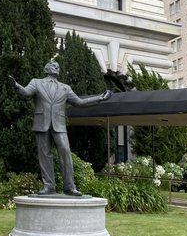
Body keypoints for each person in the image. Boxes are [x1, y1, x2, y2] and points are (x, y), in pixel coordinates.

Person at [9, 61, 112, 196]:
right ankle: (49, 186)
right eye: (54, 65)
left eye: (58, 66)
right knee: (45, 155)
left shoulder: (65, 88)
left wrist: (99, 98)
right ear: (46, 69)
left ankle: (69, 187)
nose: (57, 67)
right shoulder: (36, 82)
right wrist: (16, 86)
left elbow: (79, 102)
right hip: (42, 123)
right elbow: (26, 92)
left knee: (65, 151)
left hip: (59, 124)